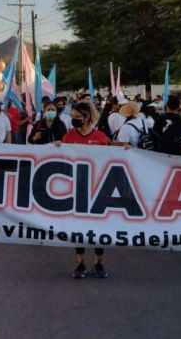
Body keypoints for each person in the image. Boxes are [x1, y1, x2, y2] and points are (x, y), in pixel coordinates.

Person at [58, 102, 114, 278]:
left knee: (98, 228)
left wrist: (124, 148)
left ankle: (99, 262)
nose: (73, 120)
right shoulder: (68, 137)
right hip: (76, 189)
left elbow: (111, 156)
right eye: (72, 117)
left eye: (77, 117)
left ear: (87, 117)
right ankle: (80, 262)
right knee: (79, 228)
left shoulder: (100, 137)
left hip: (97, 189)